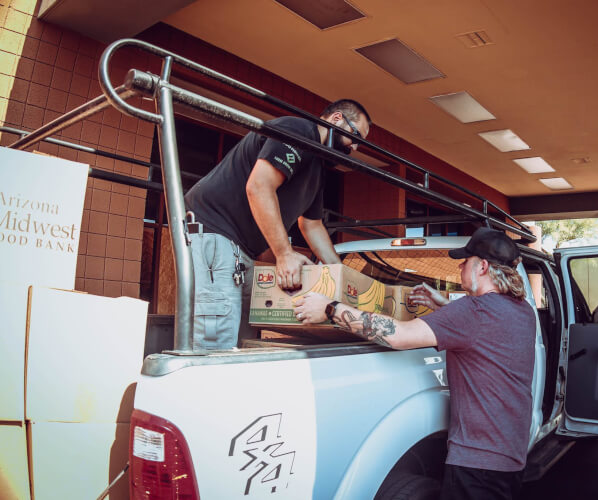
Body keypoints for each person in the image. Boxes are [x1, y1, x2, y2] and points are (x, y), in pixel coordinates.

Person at [293, 227, 536, 499]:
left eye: (465, 260)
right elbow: (483, 331)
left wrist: (331, 308)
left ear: (482, 267)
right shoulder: (523, 312)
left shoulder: (471, 312)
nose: (460, 266)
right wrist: (442, 306)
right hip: (510, 457)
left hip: (477, 464)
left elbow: (399, 335)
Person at [183, 99, 371, 350]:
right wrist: (284, 254)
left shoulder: (317, 167)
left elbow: (312, 225)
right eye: (355, 136)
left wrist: (341, 277)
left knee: (243, 337)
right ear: (337, 119)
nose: (355, 147)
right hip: (215, 230)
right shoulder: (298, 131)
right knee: (217, 338)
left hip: (241, 250)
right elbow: (259, 186)